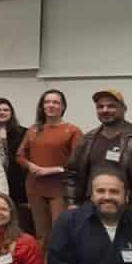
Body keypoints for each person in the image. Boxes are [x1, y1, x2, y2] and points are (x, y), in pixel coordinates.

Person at [63, 89, 132, 214]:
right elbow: (72, 174)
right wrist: (73, 203)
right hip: (90, 210)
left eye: (111, 106)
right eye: (100, 107)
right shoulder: (86, 140)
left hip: (128, 211)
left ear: (124, 109)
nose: (105, 110)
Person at [16, 90, 83, 250]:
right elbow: (19, 155)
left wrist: (53, 170)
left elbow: (78, 162)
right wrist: (31, 166)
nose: (51, 105)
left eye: (55, 102)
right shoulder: (33, 130)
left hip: (59, 188)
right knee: (41, 235)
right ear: (42, 106)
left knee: (60, 233)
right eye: (47, 102)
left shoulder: (73, 131)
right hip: (35, 188)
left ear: (63, 107)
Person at [0, 98, 29, 232]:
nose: (2, 112)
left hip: (17, 180)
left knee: (19, 217)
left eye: (6, 110)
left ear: (11, 113)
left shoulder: (23, 132)